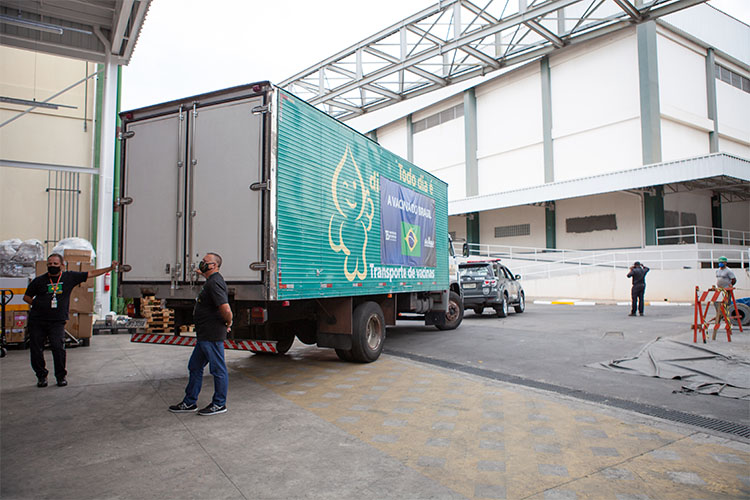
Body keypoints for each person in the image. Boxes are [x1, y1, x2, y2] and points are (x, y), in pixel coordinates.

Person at [23, 253, 117, 387]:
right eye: (49, 264)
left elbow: (90, 273)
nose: (52, 266)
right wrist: (37, 304)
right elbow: (26, 297)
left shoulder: (69, 277)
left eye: (55, 264)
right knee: (36, 349)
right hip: (38, 320)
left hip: (57, 321)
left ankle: (60, 376)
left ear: (62, 265)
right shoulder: (39, 281)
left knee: (58, 347)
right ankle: (41, 376)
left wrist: (109, 268)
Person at [169, 252, 232, 416]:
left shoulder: (215, 283)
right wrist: (201, 273)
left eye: (206, 262)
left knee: (218, 369)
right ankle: (189, 402)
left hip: (211, 335)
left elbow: (225, 308)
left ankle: (219, 404)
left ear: (215, 266)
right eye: (202, 261)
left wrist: (228, 322)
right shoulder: (210, 280)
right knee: (194, 366)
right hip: (204, 335)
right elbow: (205, 274)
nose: (202, 263)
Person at [713, 256, 737, 332]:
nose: (721, 264)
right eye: (720, 262)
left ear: (725, 263)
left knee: (726, 303)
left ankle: (726, 317)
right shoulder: (718, 271)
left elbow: (733, 279)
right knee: (716, 302)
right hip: (719, 289)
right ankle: (719, 314)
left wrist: (731, 285)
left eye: (722, 262)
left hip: (726, 289)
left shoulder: (728, 271)